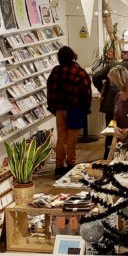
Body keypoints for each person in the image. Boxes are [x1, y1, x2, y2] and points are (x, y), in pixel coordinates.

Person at [46, 46, 92, 177]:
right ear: (73, 56)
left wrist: (53, 108)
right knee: (72, 138)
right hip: (75, 109)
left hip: (60, 109)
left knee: (61, 137)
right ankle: (70, 164)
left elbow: (50, 91)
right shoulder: (79, 72)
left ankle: (58, 166)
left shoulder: (55, 71)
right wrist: (86, 108)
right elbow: (86, 93)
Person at [92, 57, 128, 157]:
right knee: (120, 134)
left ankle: (108, 155)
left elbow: (96, 77)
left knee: (110, 133)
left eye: (113, 82)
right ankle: (118, 156)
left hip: (110, 105)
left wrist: (103, 91)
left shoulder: (111, 66)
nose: (112, 84)